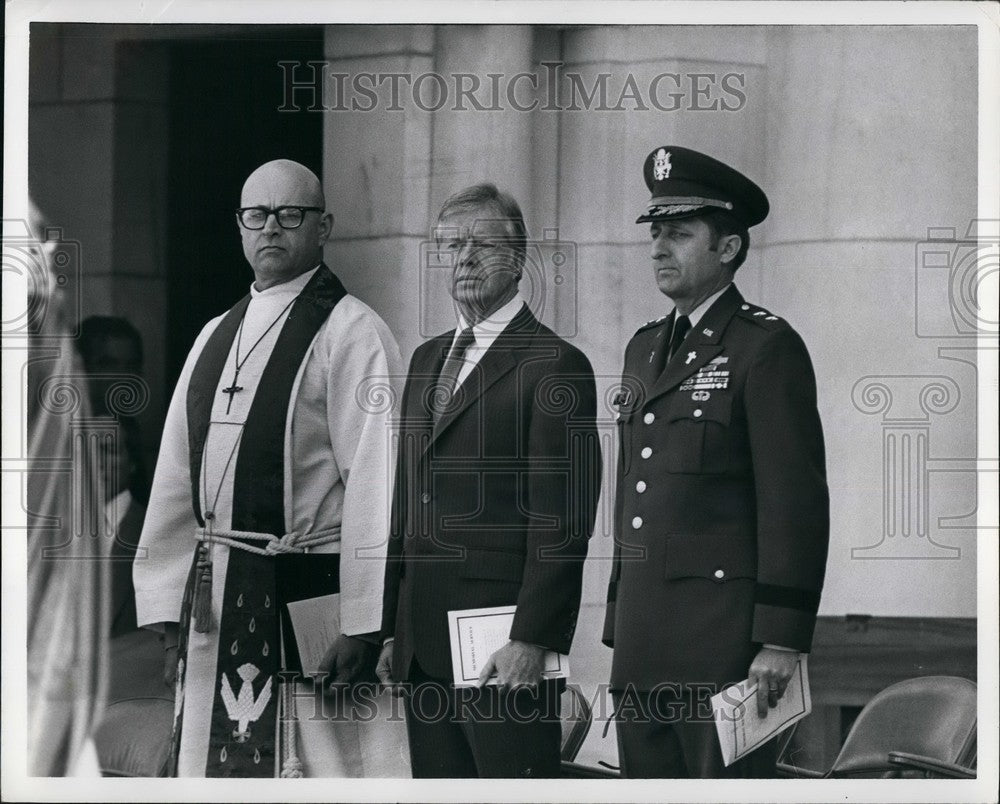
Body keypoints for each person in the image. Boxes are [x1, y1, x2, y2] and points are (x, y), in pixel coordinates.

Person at [134, 159, 405, 777]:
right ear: (239, 226)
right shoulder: (213, 336)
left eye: (291, 214)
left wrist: (364, 624)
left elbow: (379, 482)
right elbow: (177, 477)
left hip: (309, 595)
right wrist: (162, 602)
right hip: (215, 598)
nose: (272, 228)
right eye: (257, 215)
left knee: (322, 765)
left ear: (323, 226)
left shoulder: (353, 332)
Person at [602, 146, 830, 778]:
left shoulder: (766, 347)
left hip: (726, 648)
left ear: (728, 249)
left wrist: (782, 637)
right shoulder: (644, 349)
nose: (658, 247)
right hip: (645, 642)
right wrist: (620, 616)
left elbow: (795, 501)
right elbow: (635, 494)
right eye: (655, 232)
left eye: (679, 233)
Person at [376, 183, 602, 778]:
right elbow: (408, 506)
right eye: (450, 246)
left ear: (518, 257)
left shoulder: (554, 364)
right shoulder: (426, 360)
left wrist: (533, 638)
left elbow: (563, 523)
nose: (464, 259)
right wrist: (389, 627)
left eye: (480, 244)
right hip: (422, 647)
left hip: (503, 651)